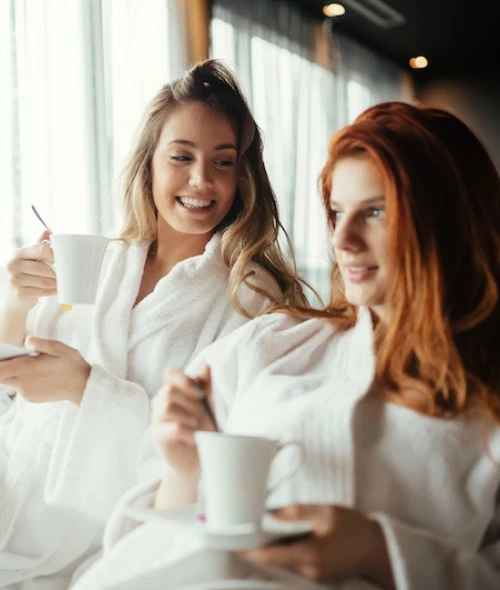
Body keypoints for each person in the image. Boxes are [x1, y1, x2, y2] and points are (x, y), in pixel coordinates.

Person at [72, 101, 500, 590]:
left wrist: (379, 551)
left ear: (450, 220)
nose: (343, 239)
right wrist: (184, 467)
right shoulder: (274, 340)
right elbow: (147, 535)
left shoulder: (486, 400)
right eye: (337, 212)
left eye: (376, 212)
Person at [0, 59, 308, 589]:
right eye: (181, 157)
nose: (201, 180)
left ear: (243, 175)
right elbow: (11, 389)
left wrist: (86, 390)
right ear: (149, 165)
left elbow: (218, 452)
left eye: (223, 161)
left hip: (113, 547)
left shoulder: (253, 301)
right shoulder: (98, 263)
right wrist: (16, 304)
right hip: (13, 509)